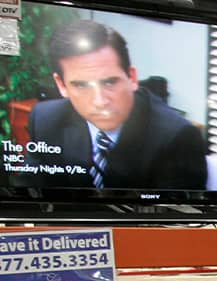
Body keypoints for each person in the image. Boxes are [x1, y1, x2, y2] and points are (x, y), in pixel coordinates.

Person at [26, 20, 207, 189]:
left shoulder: (178, 138)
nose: (100, 101)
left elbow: (172, 211)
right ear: (61, 85)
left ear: (132, 78)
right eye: (81, 85)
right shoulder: (44, 120)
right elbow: (30, 195)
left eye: (110, 82)